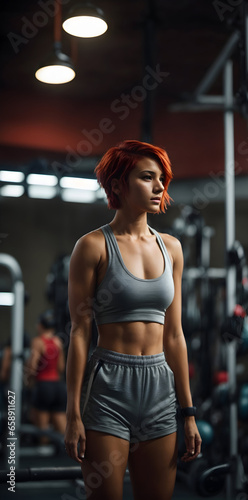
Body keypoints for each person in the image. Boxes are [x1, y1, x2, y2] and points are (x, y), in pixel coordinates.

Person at [64, 140, 202, 500]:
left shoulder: (171, 247)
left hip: (160, 387)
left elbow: (174, 335)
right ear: (118, 185)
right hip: (108, 386)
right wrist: (73, 413)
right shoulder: (92, 246)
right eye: (147, 177)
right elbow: (80, 332)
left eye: (162, 179)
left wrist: (187, 412)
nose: (160, 187)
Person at [26, 309, 67, 442]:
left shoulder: (38, 342)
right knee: (61, 427)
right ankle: (69, 457)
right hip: (58, 386)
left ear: (40, 325)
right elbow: (61, 367)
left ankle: (43, 451)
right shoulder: (58, 342)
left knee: (42, 428)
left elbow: (32, 366)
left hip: (43, 385)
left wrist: (28, 380)